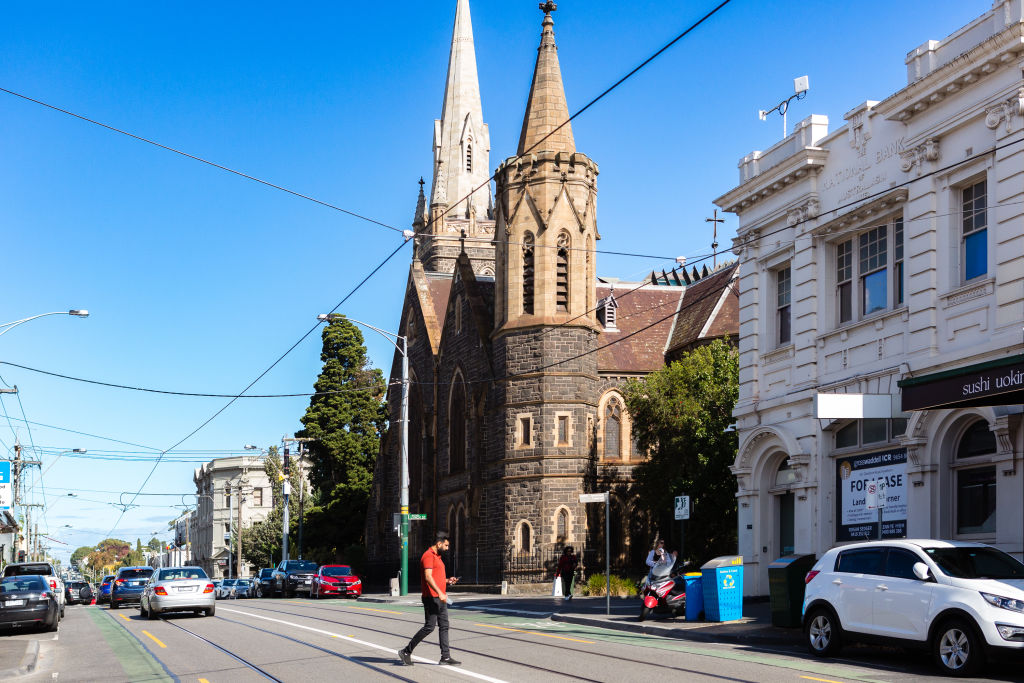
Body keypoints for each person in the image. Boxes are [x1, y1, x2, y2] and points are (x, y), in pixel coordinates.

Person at [398, 531, 460, 667]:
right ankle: (406, 651)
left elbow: (436, 578)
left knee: (444, 625)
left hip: (440, 597)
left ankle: (446, 657)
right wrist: (440, 593)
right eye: (446, 545)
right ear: (439, 543)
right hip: (431, 597)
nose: (448, 548)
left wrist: (447, 581)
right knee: (429, 627)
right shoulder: (428, 556)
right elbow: (428, 577)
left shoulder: (437, 557)